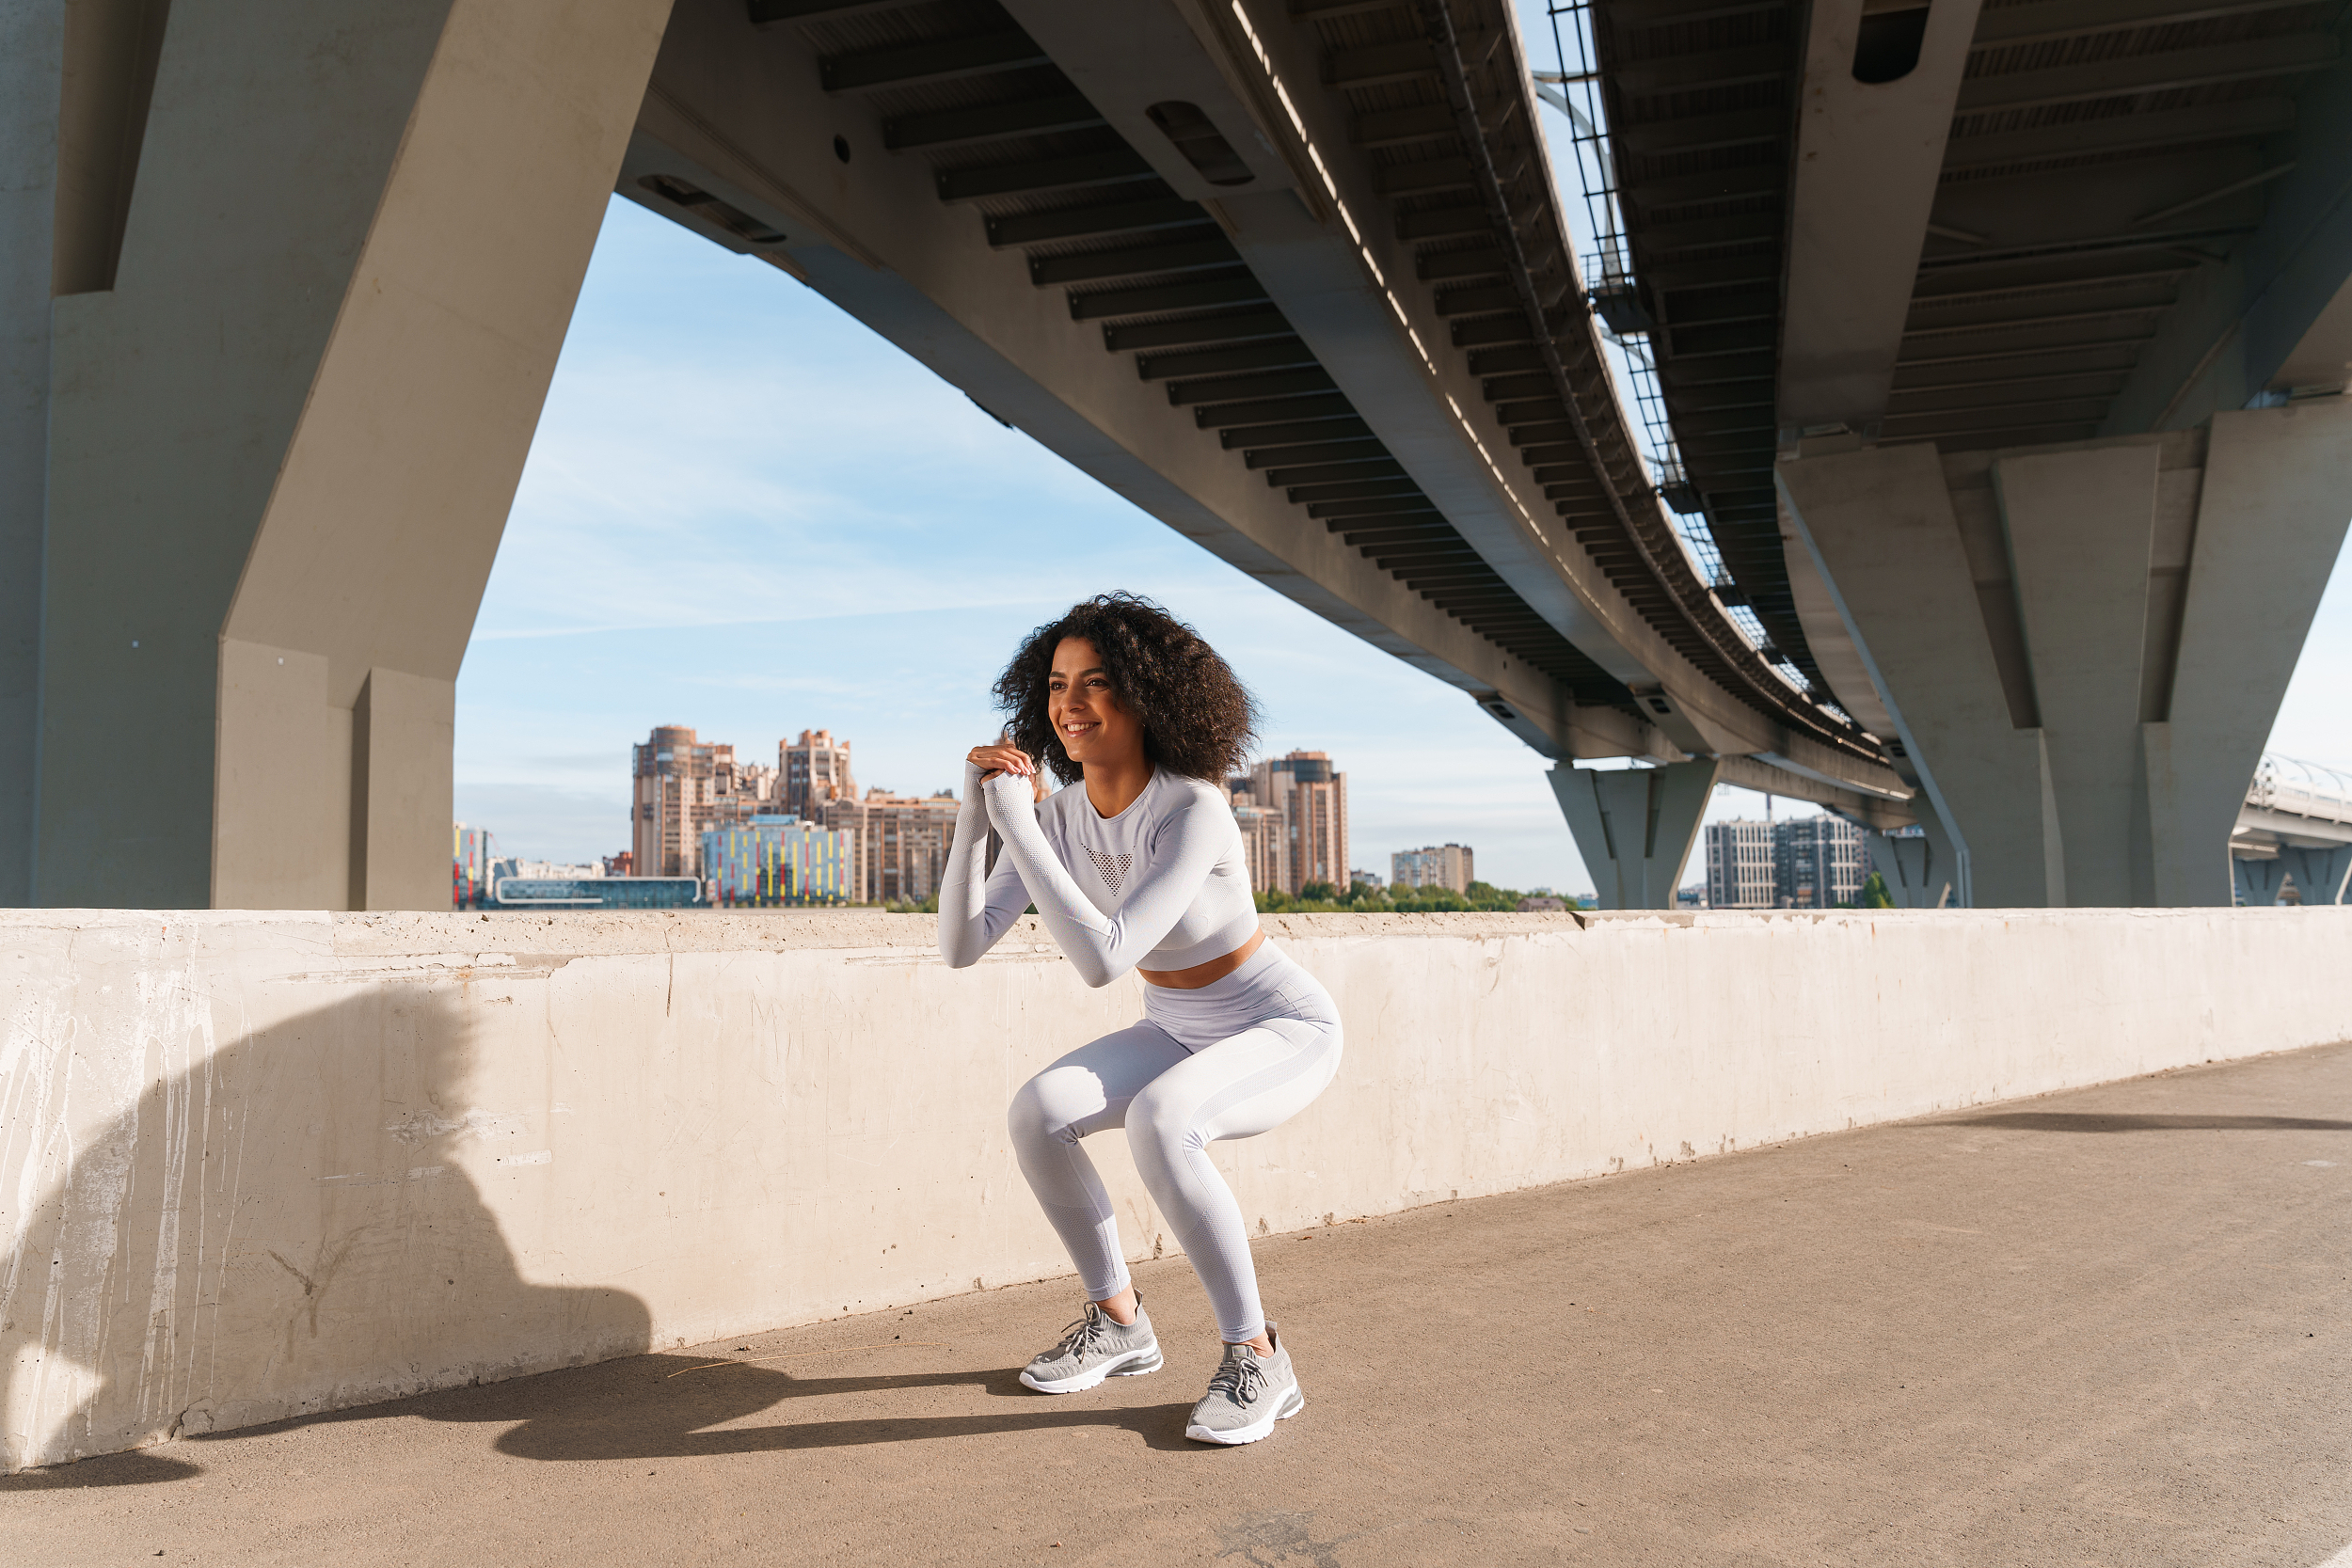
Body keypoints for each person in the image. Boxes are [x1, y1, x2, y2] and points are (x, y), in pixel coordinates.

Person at [938, 594, 1343, 1447]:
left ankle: (1259, 1355)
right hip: (1175, 1024)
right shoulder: (1055, 816)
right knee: (1038, 1112)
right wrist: (979, 817)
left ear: (1149, 696)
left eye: (1097, 682)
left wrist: (1016, 819)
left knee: (1165, 1120)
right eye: (1056, 684)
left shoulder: (1192, 807)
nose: (1069, 703)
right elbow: (962, 943)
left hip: (1278, 1023)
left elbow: (1104, 959)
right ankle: (1120, 1319)